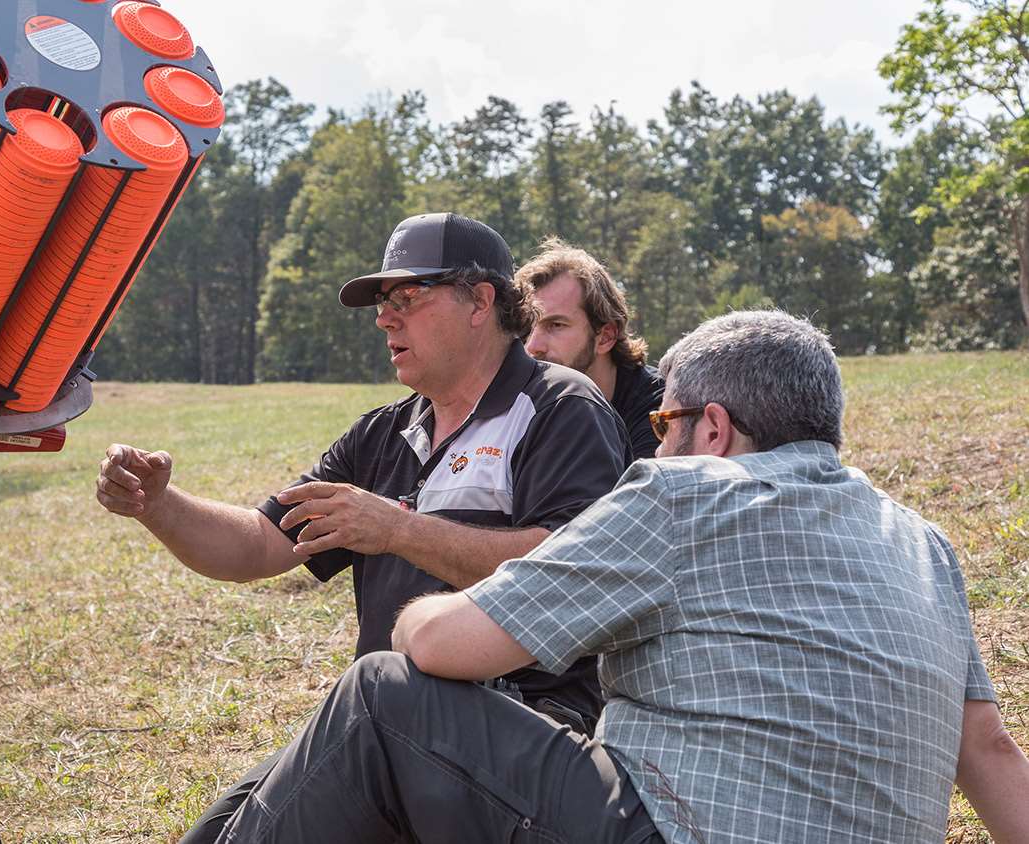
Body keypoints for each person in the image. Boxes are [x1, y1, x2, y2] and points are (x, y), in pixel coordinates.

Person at [212, 310, 1029, 844]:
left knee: (380, 694)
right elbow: (989, 751)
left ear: (711, 428)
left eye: (662, 422)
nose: (654, 442)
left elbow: (449, 648)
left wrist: (411, 607)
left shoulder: (682, 491)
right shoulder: (923, 543)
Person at [95, 213, 631, 842]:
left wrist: (397, 529)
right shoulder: (381, 434)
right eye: (383, 304)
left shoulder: (559, 407)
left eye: (408, 298)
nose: (385, 318)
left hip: (520, 728)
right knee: (219, 831)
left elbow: (568, 574)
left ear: (480, 301)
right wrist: (158, 504)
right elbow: (260, 543)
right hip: (388, 722)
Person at [520, 238, 663, 458]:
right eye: (528, 328)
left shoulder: (660, 410)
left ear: (606, 336)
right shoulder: (522, 404)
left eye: (556, 325)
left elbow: (642, 490)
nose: (533, 346)